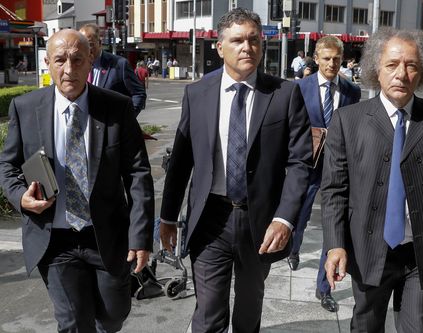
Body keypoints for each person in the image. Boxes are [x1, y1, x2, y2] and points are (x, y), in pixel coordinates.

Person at [159, 8, 311, 333]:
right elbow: (181, 161)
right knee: (209, 315)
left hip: (260, 223)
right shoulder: (197, 93)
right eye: (238, 40)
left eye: (254, 40)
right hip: (209, 220)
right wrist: (168, 217)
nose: (247, 47)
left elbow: (300, 162)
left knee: (247, 312)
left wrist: (284, 219)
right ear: (220, 46)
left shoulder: (284, 95)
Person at [0, 29, 154, 332]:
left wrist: (140, 237)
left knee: (112, 316)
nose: (68, 69)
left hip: (106, 235)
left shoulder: (116, 108)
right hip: (54, 239)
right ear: (47, 62)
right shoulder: (26, 108)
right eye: (60, 60)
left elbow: (138, 174)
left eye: (77, 59)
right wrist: (21, 197)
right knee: (73, 321)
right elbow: (7, 166)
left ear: (90, 61)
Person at [322, 28, 423, 332]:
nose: (401, 73)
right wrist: (335, 245)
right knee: (366, 326)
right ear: (376, 68)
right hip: (368, 250)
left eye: (411, 65)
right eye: (392, 65)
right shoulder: (348, 121)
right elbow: (334, 190)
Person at [291, 35, 361, 313]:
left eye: (336, 59)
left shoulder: (351, 91)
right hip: (309, 164)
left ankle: (324, 288)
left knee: (336, 225)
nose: (332, 63)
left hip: (339, 167)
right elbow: (293, 128)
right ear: (316, 59)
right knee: (300, 214)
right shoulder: (300, 88)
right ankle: (293, 248)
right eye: (327, 58)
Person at [79, 23, 147, 117]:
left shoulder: (120, 64)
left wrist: (127, 119)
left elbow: (139, 94)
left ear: (99, 43)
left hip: (112, 125)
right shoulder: (77, 65)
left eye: (90, 44)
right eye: (83, 45)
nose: (87, 49)